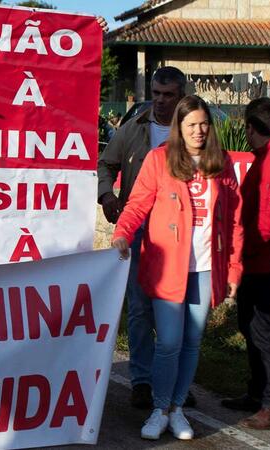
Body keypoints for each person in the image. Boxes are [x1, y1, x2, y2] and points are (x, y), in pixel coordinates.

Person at [111, 95, 244, 441]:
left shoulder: (222, 163)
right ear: (179, 128)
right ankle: (159, 408)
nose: (198, 131)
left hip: (204, 269)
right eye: (190, 125)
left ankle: (178, 408)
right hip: (168, 268)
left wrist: (233, 269)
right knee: (168, 341)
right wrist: (122, 233)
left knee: (192, 342)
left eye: (203, 124)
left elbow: (234, 221)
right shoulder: (159, 160)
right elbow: (138, 203)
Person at [97, 66, 190, 409]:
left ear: (181, 95)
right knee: (138, 309)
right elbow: (105, 164)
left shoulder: (194, 130)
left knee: (177, 310)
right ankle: (141, 379)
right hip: (138, 229)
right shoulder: (134, 128)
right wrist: (107, 196)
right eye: (157, 94)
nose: (162, 101)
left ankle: (175, 379)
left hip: (180, 235)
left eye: (169, 95)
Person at [220, 97, 270, 430]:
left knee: (265, 331)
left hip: (263, 260)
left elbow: (269, 220)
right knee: (251, 327)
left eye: (247, 130)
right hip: (256, 259)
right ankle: (258, 392)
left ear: (253, 128)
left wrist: (239, 253)